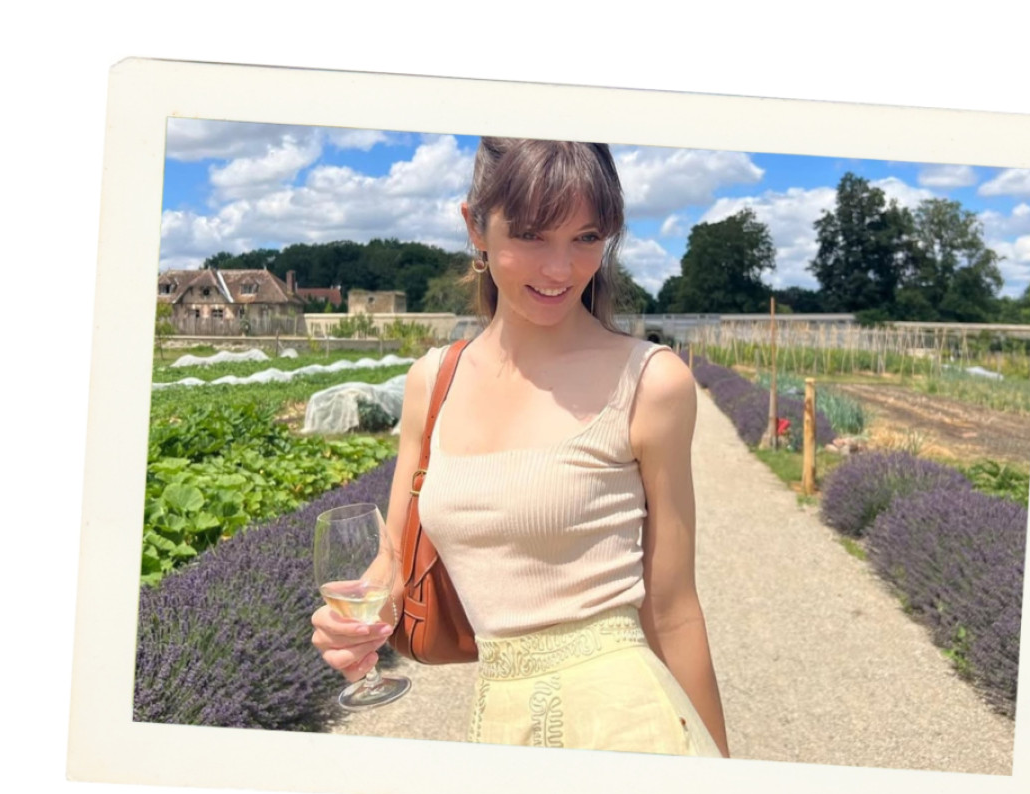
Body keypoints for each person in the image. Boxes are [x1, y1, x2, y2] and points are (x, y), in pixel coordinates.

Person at [311, 138, 729, 757]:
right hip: (501, 730)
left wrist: (724, 782)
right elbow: (392, 567)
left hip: (632, 731)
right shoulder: (433, 381)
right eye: (532, 235)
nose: (561, 269)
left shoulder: (650, 381)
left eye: (586, 237)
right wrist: (353, 627)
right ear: (475, 227)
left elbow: (673, 611)